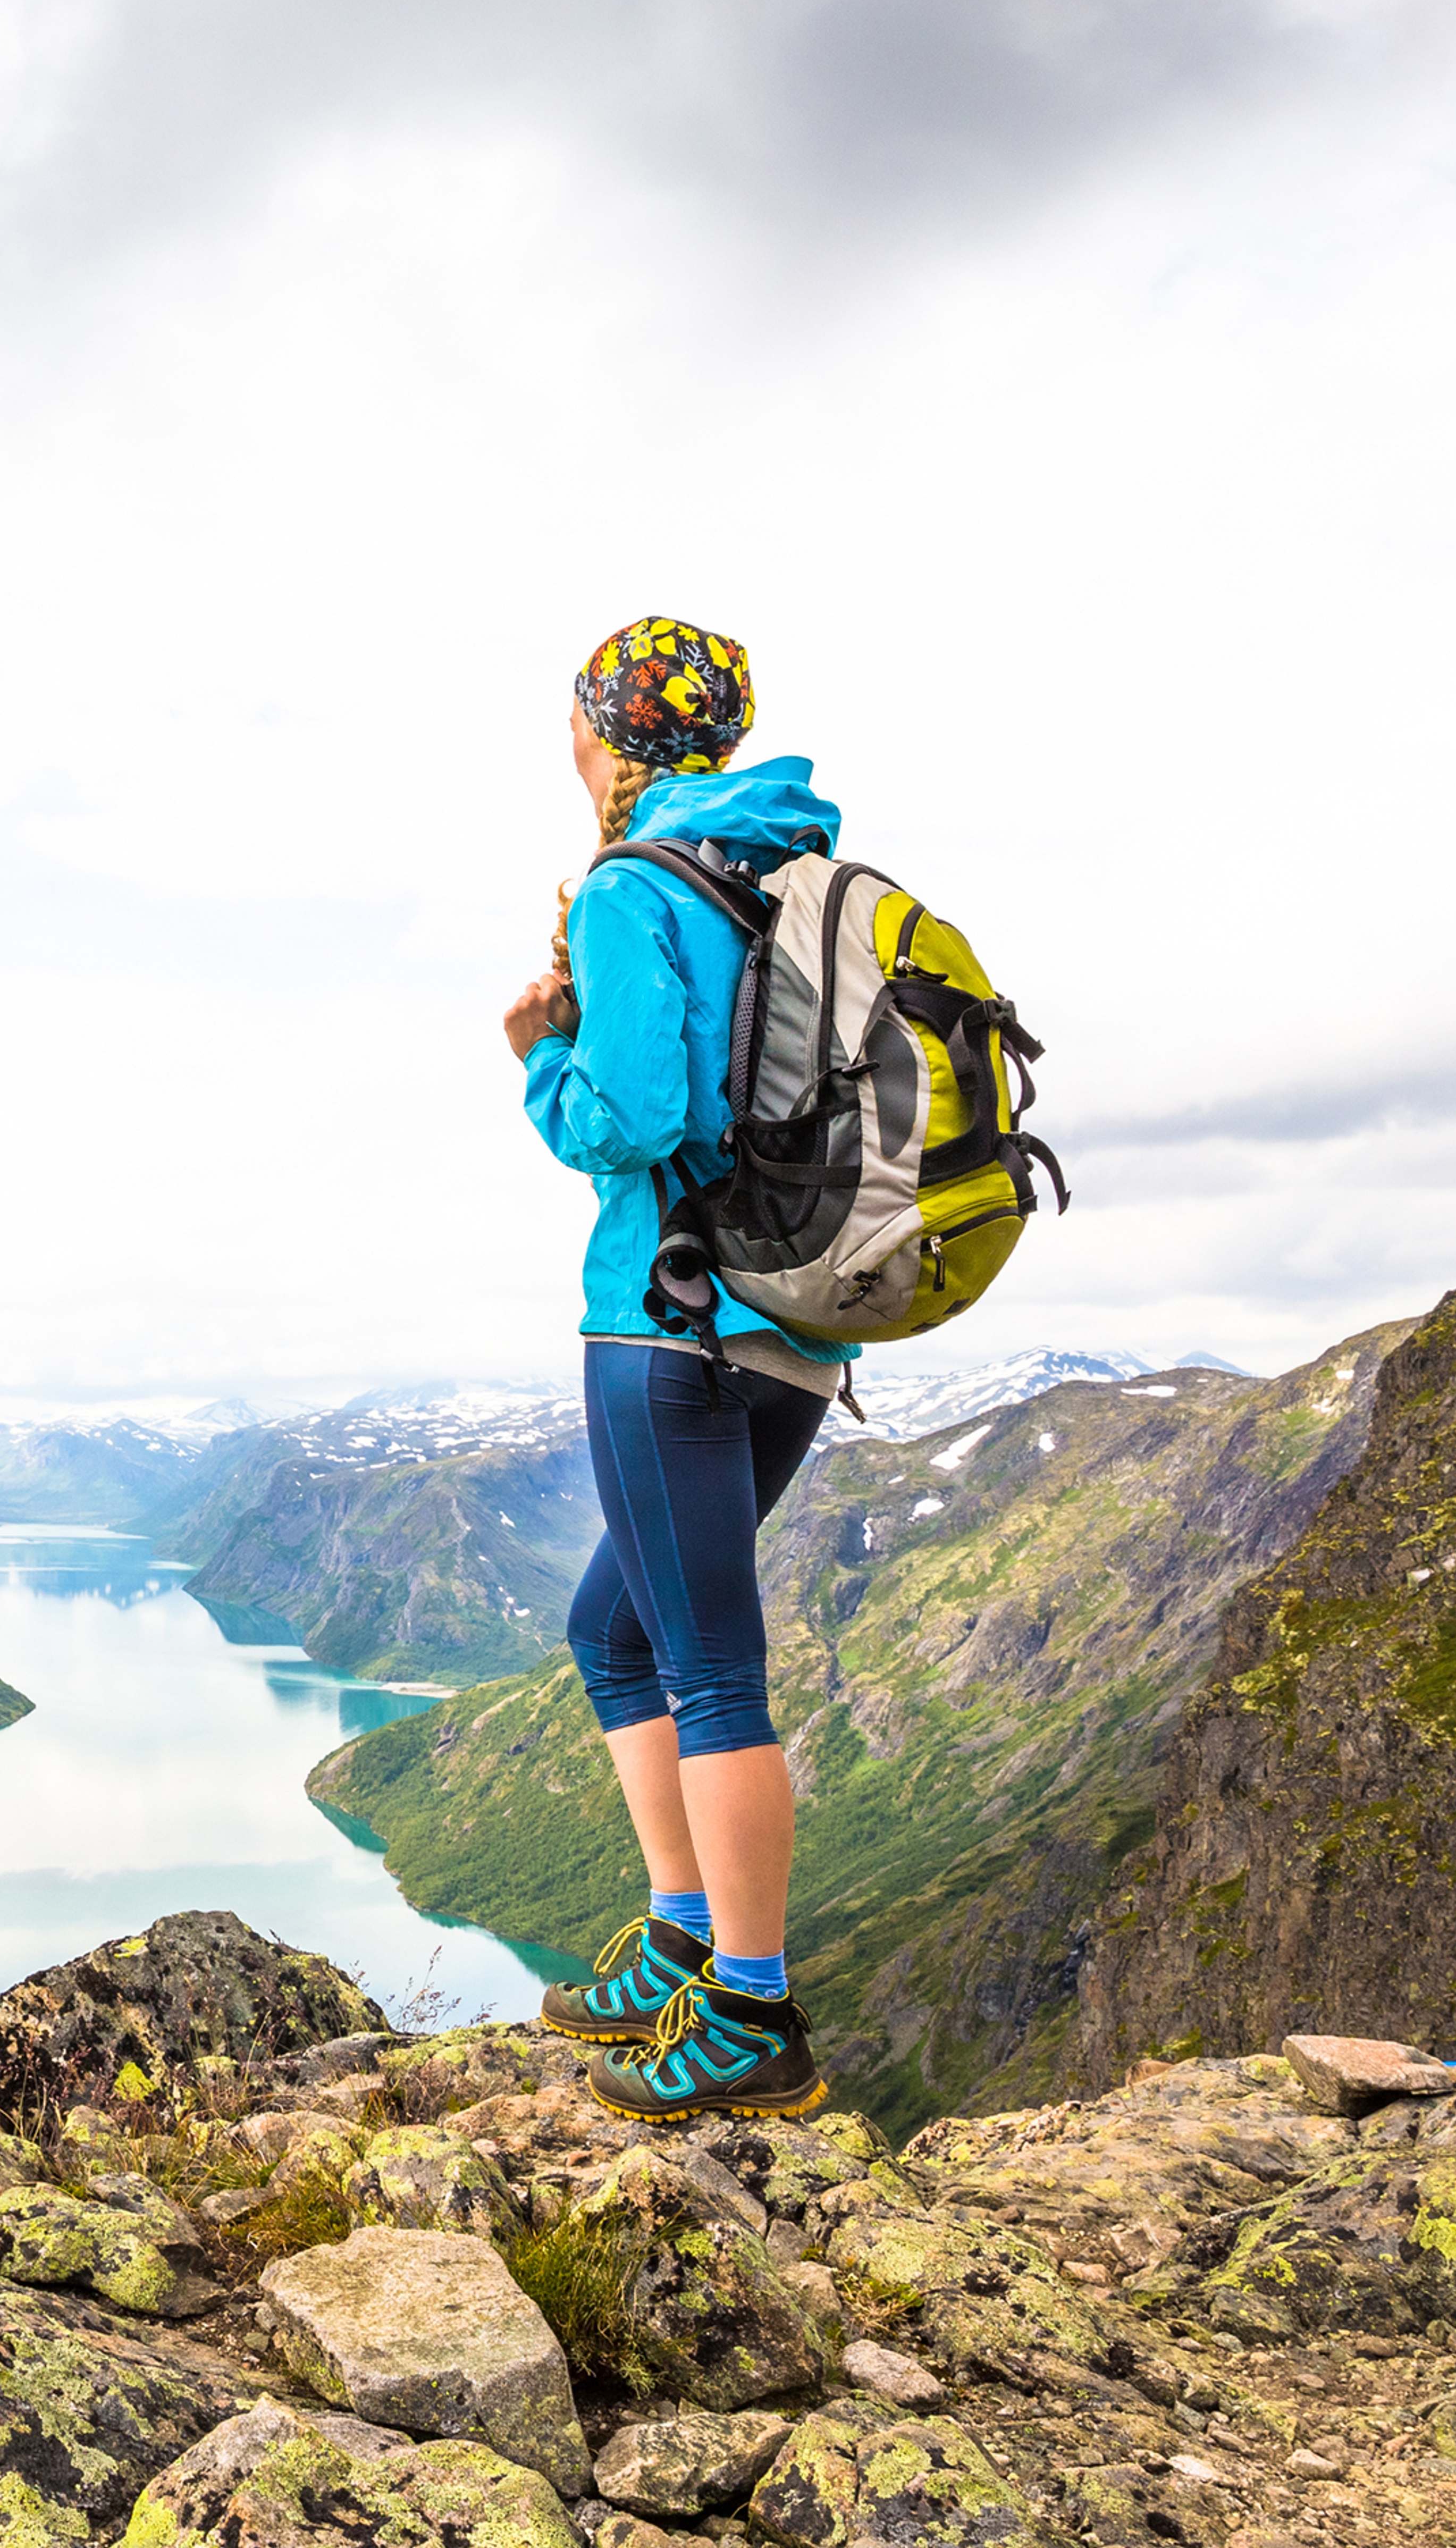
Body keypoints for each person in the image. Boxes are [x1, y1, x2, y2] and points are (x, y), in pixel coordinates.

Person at [501, 616, 856, 2122]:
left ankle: (753, 2013)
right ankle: (681, 1933)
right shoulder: (789, 876)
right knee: (616, 1629)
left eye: (578, 723)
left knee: (708, 1668)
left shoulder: (642, 883)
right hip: (797, 1327)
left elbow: (633, 1117)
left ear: (607, 737)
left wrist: (535, 1053)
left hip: (666, 1323)